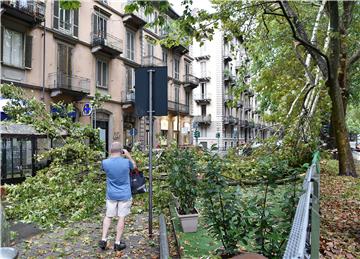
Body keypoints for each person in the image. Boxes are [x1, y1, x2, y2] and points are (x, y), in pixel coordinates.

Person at [99, 142, 136, 251]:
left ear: (110, 151)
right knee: (121, 217)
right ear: (121, 151)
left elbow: (106, 168)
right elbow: (134, 166)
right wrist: (128, 155)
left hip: (111, 194)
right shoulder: (126, 162)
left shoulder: (105, 163)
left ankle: (103, 239)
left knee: (108, 216)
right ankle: (117, 243)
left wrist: (112, 155)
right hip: (124, 194)